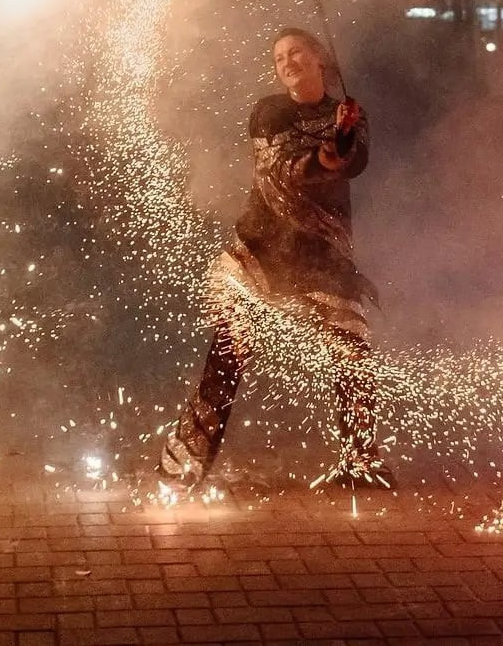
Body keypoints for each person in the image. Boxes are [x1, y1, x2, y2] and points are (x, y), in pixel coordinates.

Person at [159, 27, 392, 491]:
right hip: (263, 251)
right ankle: (184, 466)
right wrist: (331, 150)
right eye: (280, 57)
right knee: (229, 355)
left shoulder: (348, 113)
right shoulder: (270, 112)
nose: (288, 62)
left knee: (352, 354)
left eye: (297, 53)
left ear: (319, 59)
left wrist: (345, 136)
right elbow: (288, 170)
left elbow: (356, 161)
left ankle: (361, 464)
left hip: (323, 257)